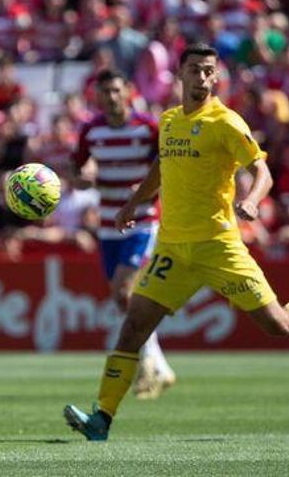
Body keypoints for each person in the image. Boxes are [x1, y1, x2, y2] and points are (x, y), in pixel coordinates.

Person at [63, 43, 289, 441]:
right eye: (195, 70)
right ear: (180, 75)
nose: (202, 78)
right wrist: (134, 202)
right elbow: (162, 167)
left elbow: (261, 170)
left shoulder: (226, 122)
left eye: (209, 71)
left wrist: (251, 199)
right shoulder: (168, 121)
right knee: (132, 326)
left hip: (219, 246)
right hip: (173, 249)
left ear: (216, 77)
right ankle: (101, 419)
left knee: (279, 325)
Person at [72, 69, 176, 400]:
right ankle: (159, 362)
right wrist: (84, 177)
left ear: (128, 91)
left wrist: (145, 189)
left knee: (124, 288)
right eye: (105, 92)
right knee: (121, 298)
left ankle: (148, 363)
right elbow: (79, 170)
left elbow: (168, 166)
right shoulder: (91, 131)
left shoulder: (147, 128)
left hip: (143, 222)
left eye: (117, 90)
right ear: (98, 96)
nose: (112, 97)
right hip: (107, 225)